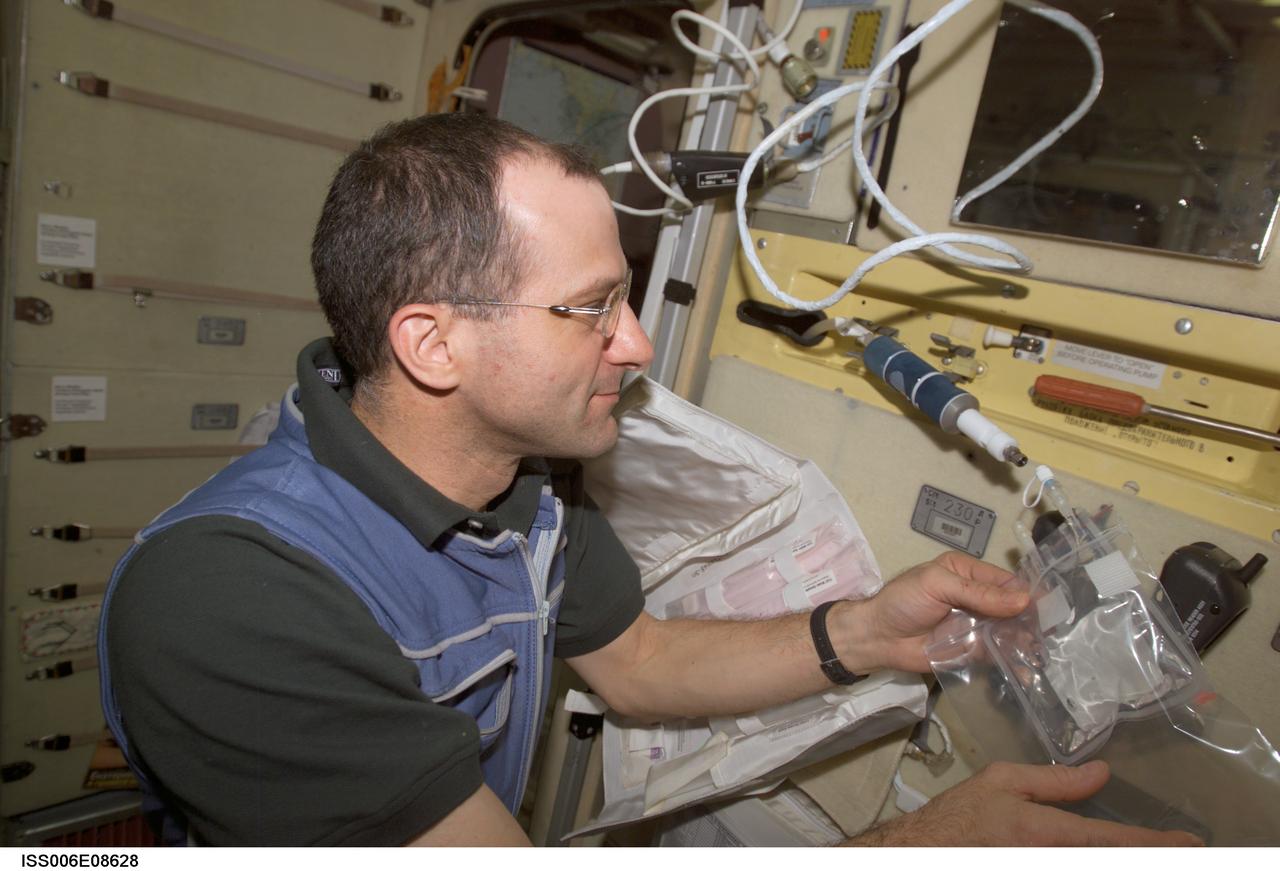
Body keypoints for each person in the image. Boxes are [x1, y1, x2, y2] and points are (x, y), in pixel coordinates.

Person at [99, 113, 1199, 847]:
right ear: (433, 346)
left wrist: (864, 632)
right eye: (588, 308)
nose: (632, 345)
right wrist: (914, 849)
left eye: (625, 298)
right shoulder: (229, 598)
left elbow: (637, 660)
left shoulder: (523, 494)